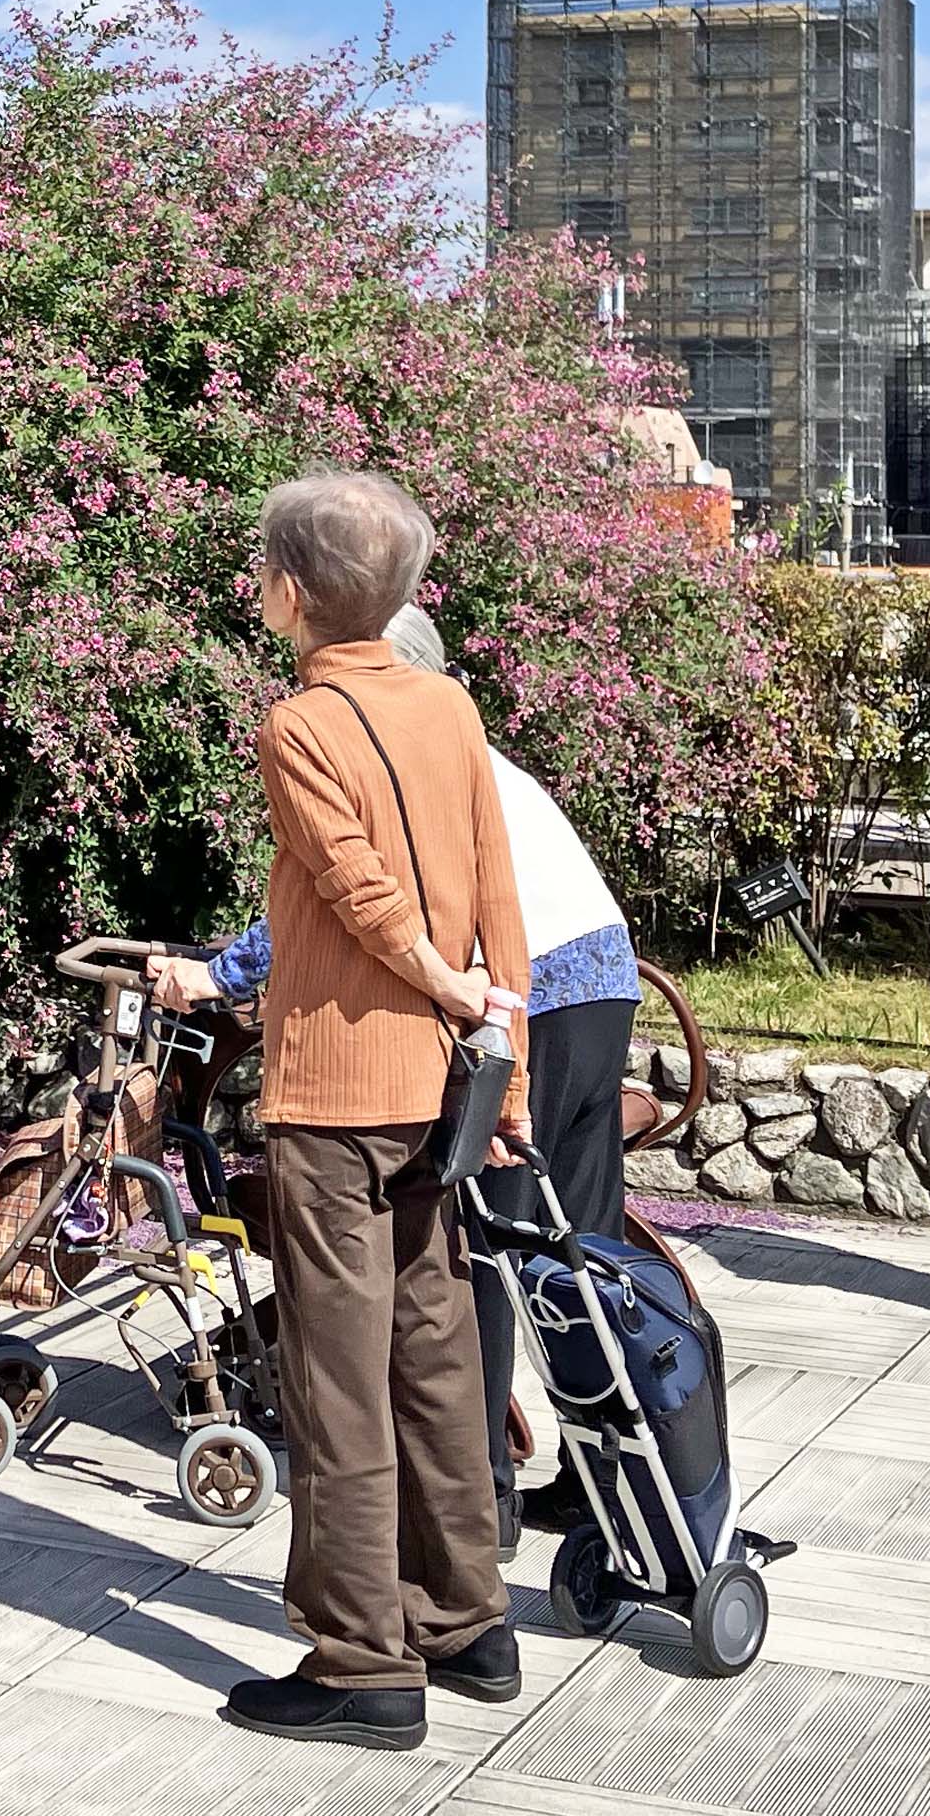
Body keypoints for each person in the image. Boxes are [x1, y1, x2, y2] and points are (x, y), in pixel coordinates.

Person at [150, 471, 529, 1754]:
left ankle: (363, 1661)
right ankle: (470, 1618)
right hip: (441, 1078)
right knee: (434, 1341)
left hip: (333, 1088)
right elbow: (496, 887)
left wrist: (434, 976)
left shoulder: (296, 724)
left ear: (290, 597)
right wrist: (500, 1040)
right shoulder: (451, 704)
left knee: (336, 1373)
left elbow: (363, 897)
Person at [378, 606, 637, 1548]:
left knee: (486, 1242)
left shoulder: (412, 759)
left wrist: (228, 972)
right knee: (585, 1250)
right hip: (604, 975)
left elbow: (340, 899)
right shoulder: (485, 756)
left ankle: (479, 1497)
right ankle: (606, 1483)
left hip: (535, 993)